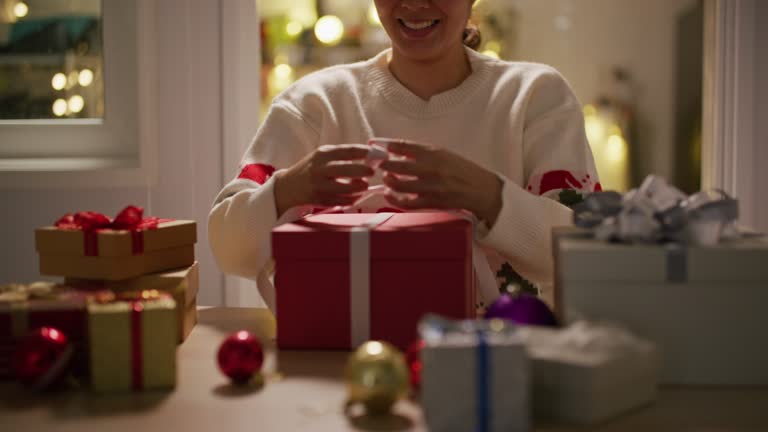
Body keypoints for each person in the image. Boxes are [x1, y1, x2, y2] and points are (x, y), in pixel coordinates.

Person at [208, 0, 600, 313]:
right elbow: (228, 250)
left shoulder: (536, 97)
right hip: (341, 367)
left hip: (500, 368)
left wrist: (490, 197)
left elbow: (589, 257)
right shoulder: (314, 104)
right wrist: (286, 190)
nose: (413, 3)